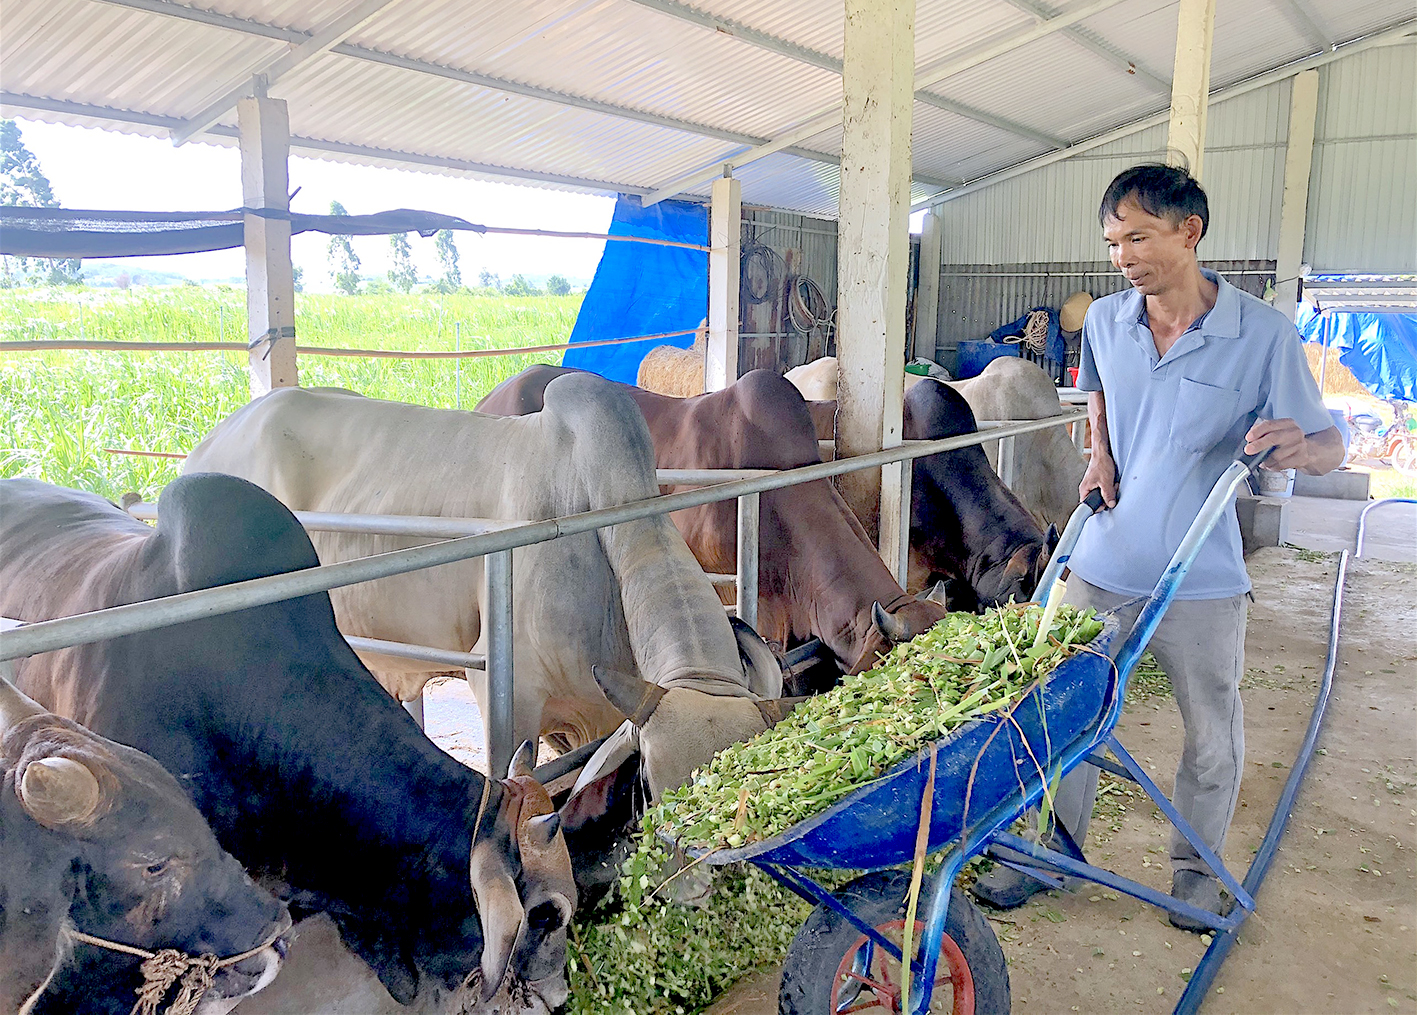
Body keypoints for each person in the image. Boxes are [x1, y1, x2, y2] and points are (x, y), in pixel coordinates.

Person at [972, 163, 1344, 931]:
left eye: (1137, 237)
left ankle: (1193, 874)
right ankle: (1051, 853)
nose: (1122, 256)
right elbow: (1098, 384)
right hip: (1101, 561)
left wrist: (1293, 447)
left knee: (1210, 733)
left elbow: (1331, 445)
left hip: (1199, 578)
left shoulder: (1263, 334)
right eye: (1112, 242)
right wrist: (1099, 449)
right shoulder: (1107, 321)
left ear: (1189, 232)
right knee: (1057, 716)